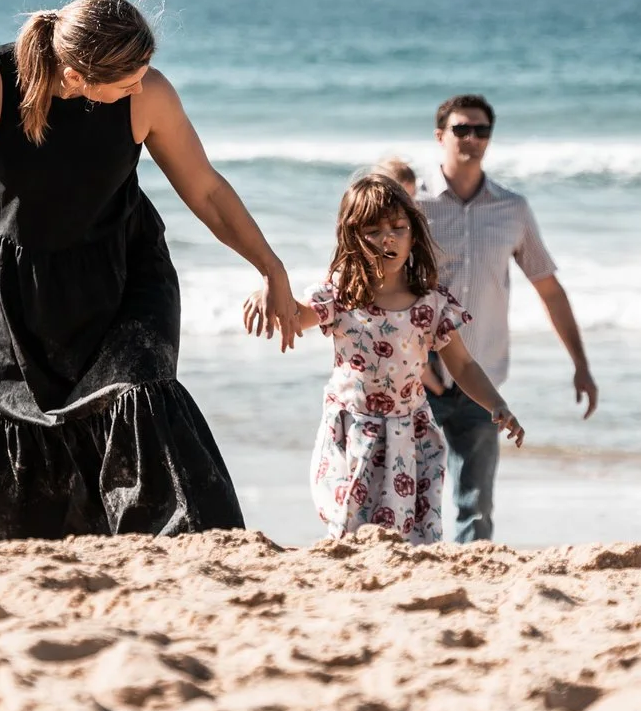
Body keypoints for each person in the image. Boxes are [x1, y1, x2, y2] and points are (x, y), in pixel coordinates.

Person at [0, 0, 306, 540]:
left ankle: (198, 553)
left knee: (140, 394)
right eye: (128, 81)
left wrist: (271, 268)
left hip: (127, 278)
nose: (141, 87)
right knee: (23, 442)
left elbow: (206, 190)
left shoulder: (149, 94)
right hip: (22, 296)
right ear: (75, 75)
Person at [253, 174, 521, 543]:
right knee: (350, 529)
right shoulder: (341, 296)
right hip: (353, 430)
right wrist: (270, 288)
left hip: (409, 433)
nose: (388, 239)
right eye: (374, 231)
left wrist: (496, 402)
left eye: (398, 228)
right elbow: (296, 316)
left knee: (411, 535)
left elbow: (463, 364)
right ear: (353, 237)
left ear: (413, 235)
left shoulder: (431, 304)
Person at [417, 93, 597, 544]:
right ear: (440, 136)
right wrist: (418, 361)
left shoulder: (512, 209)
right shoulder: (413, 206)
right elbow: (384, 284)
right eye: (461, 129)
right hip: (417, 376)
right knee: (412, 496)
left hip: (483, 373)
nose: (472, 139)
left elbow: (549, 289)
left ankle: (469, 597)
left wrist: (580, 364)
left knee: (475, 508)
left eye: (481, 131)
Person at [368, 156, 444, 397]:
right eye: (400, 197)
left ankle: (428, 373)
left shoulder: (409, 230)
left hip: (414, 308)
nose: (407, 204)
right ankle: (427, 374)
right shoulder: (371, 235)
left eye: (411, 198)